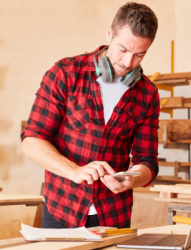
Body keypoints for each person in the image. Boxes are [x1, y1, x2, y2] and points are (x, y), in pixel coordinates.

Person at [21, 2, 159, 229]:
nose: (128, 62)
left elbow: (148, 161)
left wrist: (132, 179)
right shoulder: (65, 72)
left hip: (114, 215)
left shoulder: (147, 94)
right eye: (123, 50)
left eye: (139, 55)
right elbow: (32, 141)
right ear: (109, 33)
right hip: (62, 209)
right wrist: (74, 171)